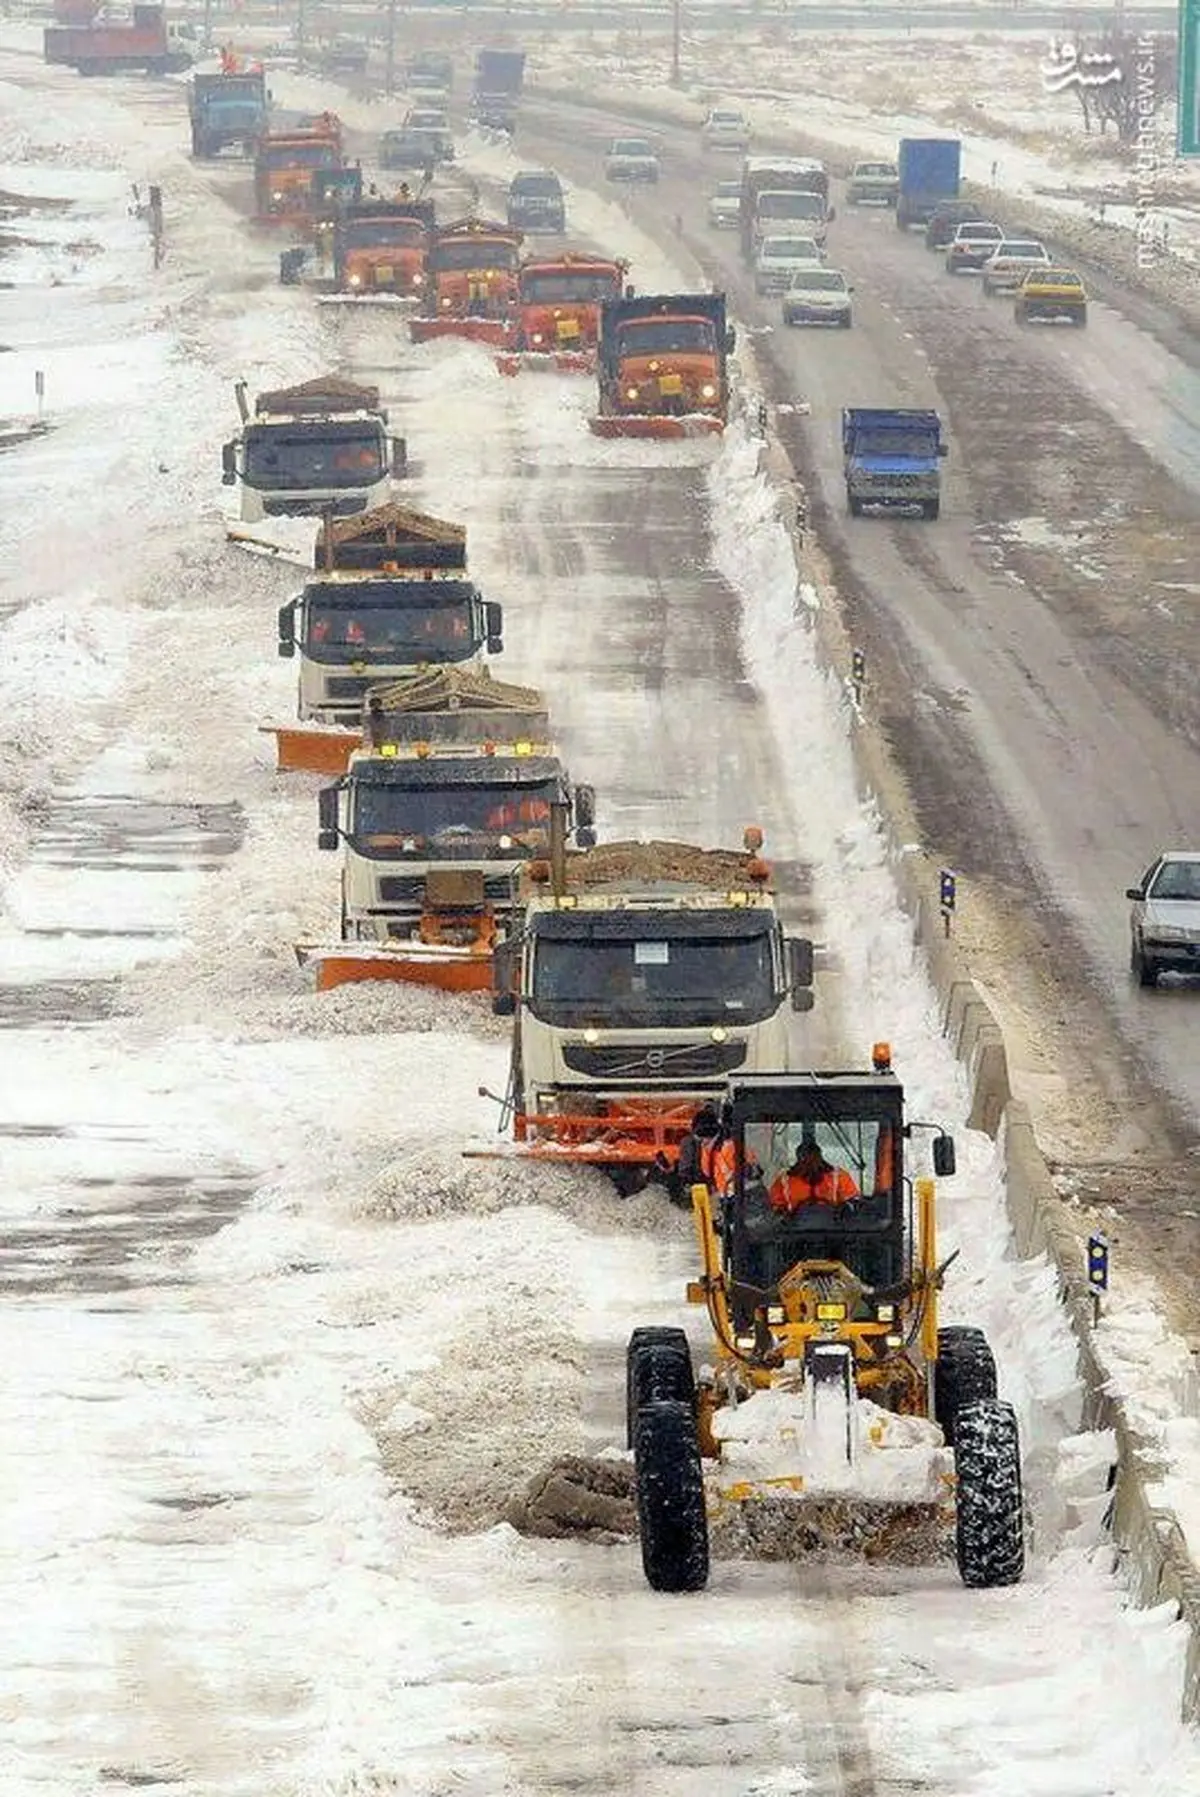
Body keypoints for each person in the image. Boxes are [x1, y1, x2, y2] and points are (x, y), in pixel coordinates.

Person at [769, 1131, 859, 1211]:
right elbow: (773, 1208)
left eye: (813, 1158)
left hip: (834, 1224)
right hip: (794, 1224)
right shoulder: (784, 1181)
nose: (810, 1162)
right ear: (798, 1160)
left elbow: (854, 1205)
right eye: (805, 1159)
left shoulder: (839, 1177)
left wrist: (842, 1210)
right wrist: (783, 1213)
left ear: (820, 1158)